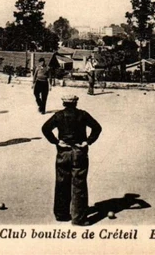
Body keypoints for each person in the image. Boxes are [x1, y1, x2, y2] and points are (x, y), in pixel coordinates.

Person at [42, 94, 102, 225]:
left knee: (61, 182)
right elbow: (97, 128)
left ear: (64, 104)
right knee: (79, 184)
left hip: (63, 152)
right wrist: (88, 142)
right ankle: (78, 218)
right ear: (76, 103)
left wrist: (56, 142)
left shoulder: (58, 115)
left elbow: (45, 128)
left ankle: (61, 214)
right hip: (79, 151)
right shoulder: (83, 114)